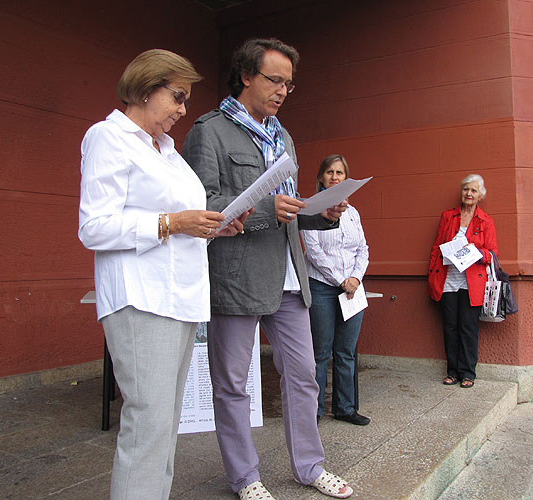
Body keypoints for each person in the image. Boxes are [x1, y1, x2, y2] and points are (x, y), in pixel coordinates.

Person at [182, 38, 354, 500]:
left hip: (289, 278)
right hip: (236, 278)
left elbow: (289, 209)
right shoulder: (209, 131)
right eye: (275, 80)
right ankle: (245, 477)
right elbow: (201, 205)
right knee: (232, 385)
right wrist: (264, 209)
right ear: (246, 76)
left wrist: (322, 213)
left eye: (289, 85)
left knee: (303, 375)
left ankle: (310, 467)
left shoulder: (283, 135)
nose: (282, 91)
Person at [78, 49, 248, 500]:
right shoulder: (108, 137)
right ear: (145, 88)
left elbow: (180, 227)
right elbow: (94, 227)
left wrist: (213, 227)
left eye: (186, 100)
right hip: (141, 298)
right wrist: (173, 223)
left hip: (180, 298)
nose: (182, 110)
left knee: (165, 424)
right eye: (177, 97)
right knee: (148, 423)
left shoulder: (169, 152)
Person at [301, 154, 370, 426]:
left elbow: (363, 249)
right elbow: (313, 251)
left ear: (346, 178)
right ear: (321, 177)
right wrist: (342, 280)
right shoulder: (311, 209)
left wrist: (355, 279)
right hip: (321, 287)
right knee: (320, 352)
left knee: (346, 351)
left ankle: (345, 408)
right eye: (329, 172)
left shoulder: (353, 213)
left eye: (339, 172)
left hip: (352, 289)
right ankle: (314, 411)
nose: (334, 177)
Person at [427, 174, 498, 389]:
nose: (468, 193)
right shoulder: (448, 216)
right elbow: (436, 248)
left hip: (472, 282)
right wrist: (432, 275)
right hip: (448, 279)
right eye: (466, 189)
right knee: (450, 327)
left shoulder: (486, 221)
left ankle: (468, 372)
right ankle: (452, 371)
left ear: (480, 195)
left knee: (468, 327)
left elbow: (492, 254)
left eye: (473, 190)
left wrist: (476, 253)